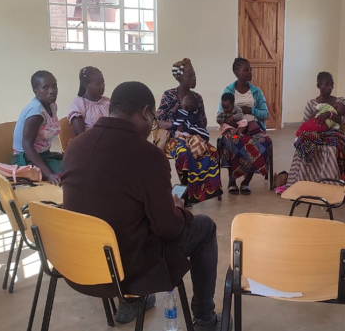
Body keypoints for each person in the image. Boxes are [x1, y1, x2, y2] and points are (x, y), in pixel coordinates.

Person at [61, 81, 224, 330]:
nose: (153, 125)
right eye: (154, 117)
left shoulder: (75, 146)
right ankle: (205, 318)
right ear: (145, 112)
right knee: (204, 226)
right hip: (126, 267)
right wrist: (177, 208)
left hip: (79, 261)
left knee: (119, 214)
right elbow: (168, 229)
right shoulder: (147, 155)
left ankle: (132, 302)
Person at [156, 58, 222, 204]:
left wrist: (193, 121)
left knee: (211, 151)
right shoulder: (169, 95)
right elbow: (159, 120)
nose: (194, 78)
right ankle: (185, 191)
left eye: (194, 75)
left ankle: (208, 190)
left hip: (193, 134)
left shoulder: (197, 97)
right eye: (190, 75)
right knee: (184, 153)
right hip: (173, 137)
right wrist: (175, 124)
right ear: (179, 77)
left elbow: (203, 122)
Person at [287, 72, 345, 186]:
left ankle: (329, 184)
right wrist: (315, 114)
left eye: (331, 84)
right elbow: (305, 125)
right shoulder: (311, 104)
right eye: (326, 84)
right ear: (318, 86)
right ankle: (306, 183)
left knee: (330, 149)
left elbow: (344, 120)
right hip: (314, 133)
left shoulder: (339, 101)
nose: (329, 87)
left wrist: (329, 114)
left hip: (333, 133)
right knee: (304, 146)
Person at [219, 57, 273, 195]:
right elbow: (220, 113)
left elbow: (265, 114)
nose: (251, 72)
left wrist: (250, 110)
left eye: (251, 70)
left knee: (264, 141)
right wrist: (229, 120)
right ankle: (232, 181)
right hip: (235, 130)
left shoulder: (256, 92)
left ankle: (246, 182)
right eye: (246, 70)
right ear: (237, 72)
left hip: (253, 129)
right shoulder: (228, 90)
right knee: (233, 141)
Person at [12, 70, 62, 186]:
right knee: (70, 172)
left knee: (75, 162)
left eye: (54, 86)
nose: (52, 91)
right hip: (26, 158)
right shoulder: (36, 113)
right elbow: (27, 146)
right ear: (36, 91)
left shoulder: (52, 106)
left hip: (43, 154)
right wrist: (49, 174)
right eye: (46, 87)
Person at [68, 66, 110, 136]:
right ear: (86, 85)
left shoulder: (107, 101)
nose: (102, 86)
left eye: (103, 82)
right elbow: (80, 136)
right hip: (92, 144)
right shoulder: (79, 103)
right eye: (98, 84)